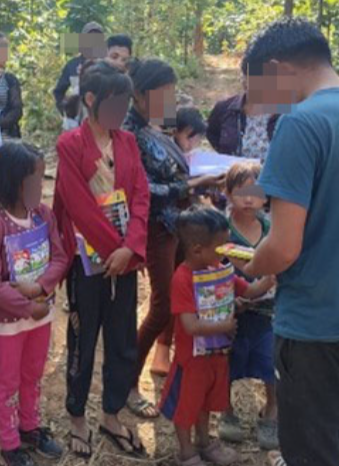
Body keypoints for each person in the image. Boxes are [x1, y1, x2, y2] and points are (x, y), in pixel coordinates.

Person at [235, 19, 339, 466]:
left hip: (317, 322)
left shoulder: (302, 124)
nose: (256, 101)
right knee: (329, 437)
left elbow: (283, 248)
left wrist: (250, 264)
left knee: (308, 452)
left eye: (255, 86)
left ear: (276, 67)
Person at [53, 60, 149, 458]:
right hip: (87, 262)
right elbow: (77, 206)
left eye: (125, 103)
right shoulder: (70, 145)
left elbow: (141, 196)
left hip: (123, 259)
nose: (121, 111)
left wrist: (131, 247)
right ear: (91, 99)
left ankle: (111, 414)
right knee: (83, 337)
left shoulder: (127, 142)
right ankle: (77, 415)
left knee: (123, 336)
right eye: (114, 102)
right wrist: (116, 249)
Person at [122, 58, 224, 419]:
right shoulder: (128, 132)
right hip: (155, 228)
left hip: (176, 222)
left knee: (184, 299)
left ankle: (178, 370)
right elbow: (140, 188)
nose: (168, 98)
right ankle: (127, 382)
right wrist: (189, 184)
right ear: (138, 94)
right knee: (163, 305)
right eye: (161, 92)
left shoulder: (155, 125)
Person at [160, 206, 272, 466]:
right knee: (186, 405)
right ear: (198, 249)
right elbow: (189, 325)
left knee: (206, 401)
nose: (227, 251)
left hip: (217, 355)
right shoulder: (182, 278)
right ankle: (186, 451)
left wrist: (269, 279)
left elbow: (250, 290)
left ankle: (204, 441)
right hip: (192, 359)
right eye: (221, 246)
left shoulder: (221, 270)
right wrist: (224, 325)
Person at [0, 141, 68, 466]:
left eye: (42, 178)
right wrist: (26, 305)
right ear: (11, 181)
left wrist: (40, 287)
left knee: (33, 373)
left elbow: (60, 255)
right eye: (33, 180)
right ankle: (9, 443)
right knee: (8, 381)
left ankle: (30, 426)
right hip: (11, 321)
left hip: (42, 314)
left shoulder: (43, 215)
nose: (39, 186)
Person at [216, 161, 279, 451]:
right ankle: (226, 411)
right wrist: (228, 300)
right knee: (228, 361)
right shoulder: (221, 231)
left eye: (256, 192)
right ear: (228, 194)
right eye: (242, 192)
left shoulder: (273, 229)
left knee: (271, 363)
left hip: (268, 311)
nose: (250, 199)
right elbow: (212, 271)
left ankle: (271, 413)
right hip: (232, 312)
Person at [206, 58, 280, 161]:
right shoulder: (225, 109)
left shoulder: (285, 113)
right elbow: (212, 134)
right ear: (245, 81)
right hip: (233, 175)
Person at [53, 22, 105, 116]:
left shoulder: (107, 64)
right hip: (78, 121)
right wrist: (67, 111)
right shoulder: (72, 65)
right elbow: (58, 92)